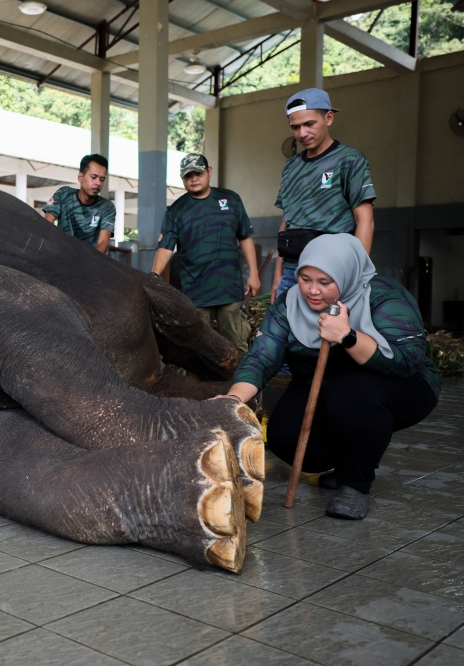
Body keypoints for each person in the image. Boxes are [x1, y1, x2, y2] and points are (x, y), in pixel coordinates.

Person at [217, 234, 439, 520]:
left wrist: (348, 337)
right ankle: (350, 458)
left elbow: (407, 361)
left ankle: (355, 483)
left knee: (349, 394)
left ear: (345, 275)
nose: (312, 291)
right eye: (305, 278)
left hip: (397, 384)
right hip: (320, 384)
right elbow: (262, 356)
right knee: (285, 436)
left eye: (325, 282)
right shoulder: (289, 303)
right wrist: (234, 399)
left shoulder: (384, 295)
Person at [271, 88, 376, 304]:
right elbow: (287, 221)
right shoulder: (291, 166)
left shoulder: (349, 159)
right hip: (292, 273)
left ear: (328, 117)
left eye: (309, 124)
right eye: (295, 127)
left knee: (325, 335)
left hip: (331, 275)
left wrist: (355, 276)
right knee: (284, 335)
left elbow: (365, 220)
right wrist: (277, 276)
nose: (302, 133)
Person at [149, 153, 260, 353]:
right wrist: (154, 276)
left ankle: (242, 384)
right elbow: (166, 246)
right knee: (201, 350)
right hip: (196, 294)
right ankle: (207, 385)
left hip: (229, 290)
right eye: (188, 175)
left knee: (238, 347)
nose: (194, 178)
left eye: (198, 173)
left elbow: (245, 237)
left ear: (209, 171)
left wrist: (254, 273)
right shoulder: (176, 210)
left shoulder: (230, 200)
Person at [44, 154, 116, 253]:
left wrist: (91, 264)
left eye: (102, 179)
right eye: (93, 177)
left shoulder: (107, 207)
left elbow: (103, 241)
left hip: (90, 261)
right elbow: (47, 224)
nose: (98, 183)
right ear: (80, 177)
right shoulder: (64, 194)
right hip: (60, 255)